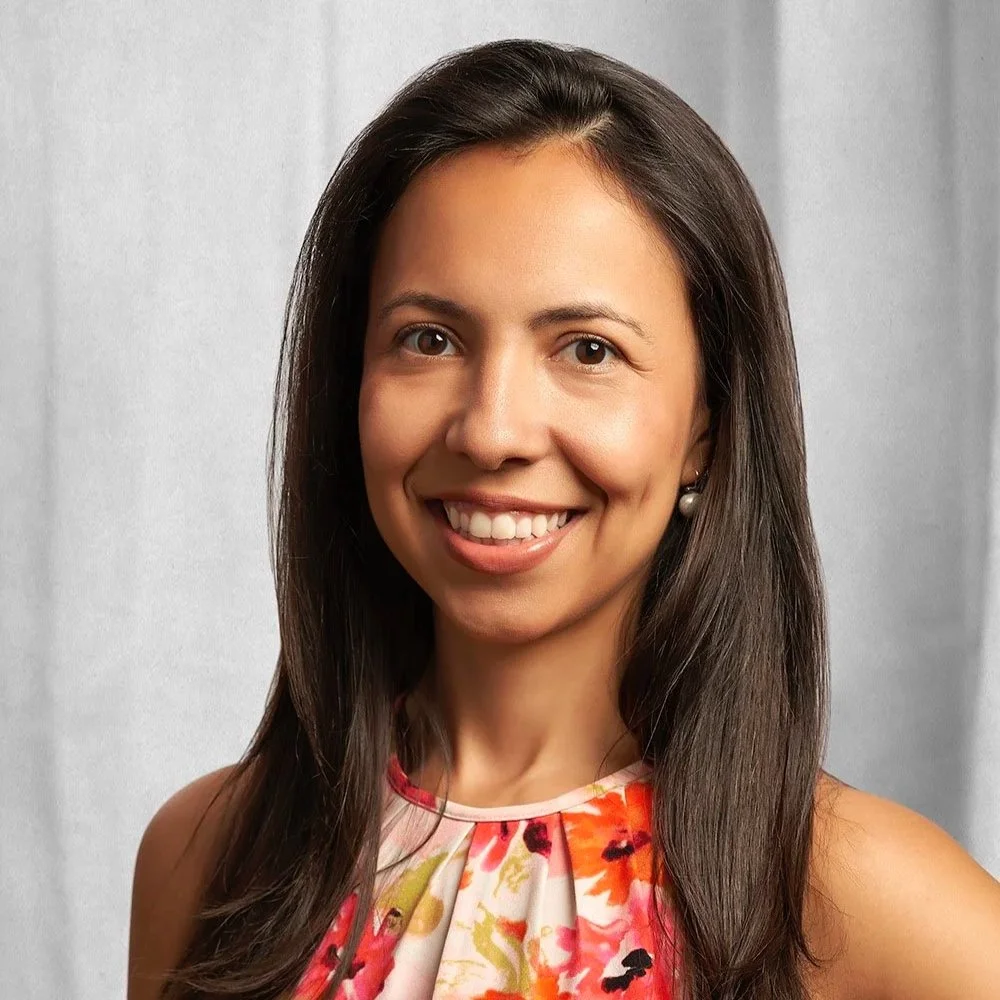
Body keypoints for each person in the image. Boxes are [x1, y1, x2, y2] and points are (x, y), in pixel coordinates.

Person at [127, 38, 1000, 1000]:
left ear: (705, 428)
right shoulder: (206, 861)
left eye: (587, 350)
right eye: (429, 339)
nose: (492, 429)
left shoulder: (858, 903)